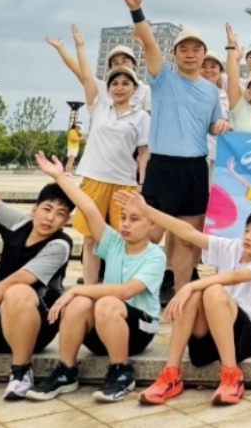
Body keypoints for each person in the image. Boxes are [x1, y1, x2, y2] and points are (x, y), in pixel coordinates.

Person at [26, 152, 164, 403]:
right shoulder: (113, 242)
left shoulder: (155, 255)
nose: (125, 224)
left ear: (152, 224)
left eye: (134, 219)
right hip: (102, 326)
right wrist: (60, 177)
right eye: (123, 217)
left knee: (105, 301)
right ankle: (66, 371)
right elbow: (88, 207)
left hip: (138, 332)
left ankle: (121, 371)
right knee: (81, 303)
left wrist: (76, 289)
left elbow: (124, 292)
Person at [128, 193, 251, 406]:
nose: (248, 237)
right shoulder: (231, 246)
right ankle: (170, 375)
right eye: (247, 230)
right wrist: (146, 210)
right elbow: (187, 232)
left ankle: (232, 375)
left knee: (211, 289)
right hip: (209, 339)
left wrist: (189, 285)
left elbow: (235, 276)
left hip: (242, 340)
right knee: (196, 295)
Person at [122, 0, 228, 291]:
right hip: (163, 167)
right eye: (184, 49)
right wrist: (136, 9)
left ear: (204, 54)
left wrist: (220, 125)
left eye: (196, 50)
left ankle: (183, 297)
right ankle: (130, 290)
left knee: (186, 238)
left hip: (195, 169)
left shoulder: (211, 90)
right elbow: (149, 44)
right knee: (149, 233)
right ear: (175, 54)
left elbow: (211, 125)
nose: (190, 55)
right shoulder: (163, 78)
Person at [0, 155, 74, 399]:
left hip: (35, 328)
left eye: (60, 214)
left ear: (65, 221)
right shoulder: (18, 223)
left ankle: (21, 372)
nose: (50, 218)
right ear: (34, 210)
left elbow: (17, 280)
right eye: (47, 209)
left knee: (18, 291)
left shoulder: (60, 245)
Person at [69, 63, 150, 285]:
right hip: (95, 179)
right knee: (90, 239)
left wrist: (141, 183)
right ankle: (89, 290)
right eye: (114, 83)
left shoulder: (142, 117)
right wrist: (78, 47)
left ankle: (117, 290)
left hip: (124, 183)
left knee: (123, 239)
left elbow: (144, 153)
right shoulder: (99, 107)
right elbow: (86, 76)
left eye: (125, 83)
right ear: (108, 89)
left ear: (135, 89)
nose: (119, 88)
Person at [46, 26, 152, 113]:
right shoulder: (102, 89)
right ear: (110, 68)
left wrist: (147, 45)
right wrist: (63, 48)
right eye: (115, 63)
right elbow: (81, 72)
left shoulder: (145, 90)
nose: (120, 65)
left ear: (134, 64)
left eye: (124, 61)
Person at [200, 50, 230, 179]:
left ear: (220, 70)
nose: (208, 70)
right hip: (192, 155)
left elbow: (232, 125)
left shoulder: (226, 96)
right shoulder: (187, 92)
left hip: (216, 155)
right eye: (204, 66)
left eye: (213, 66)